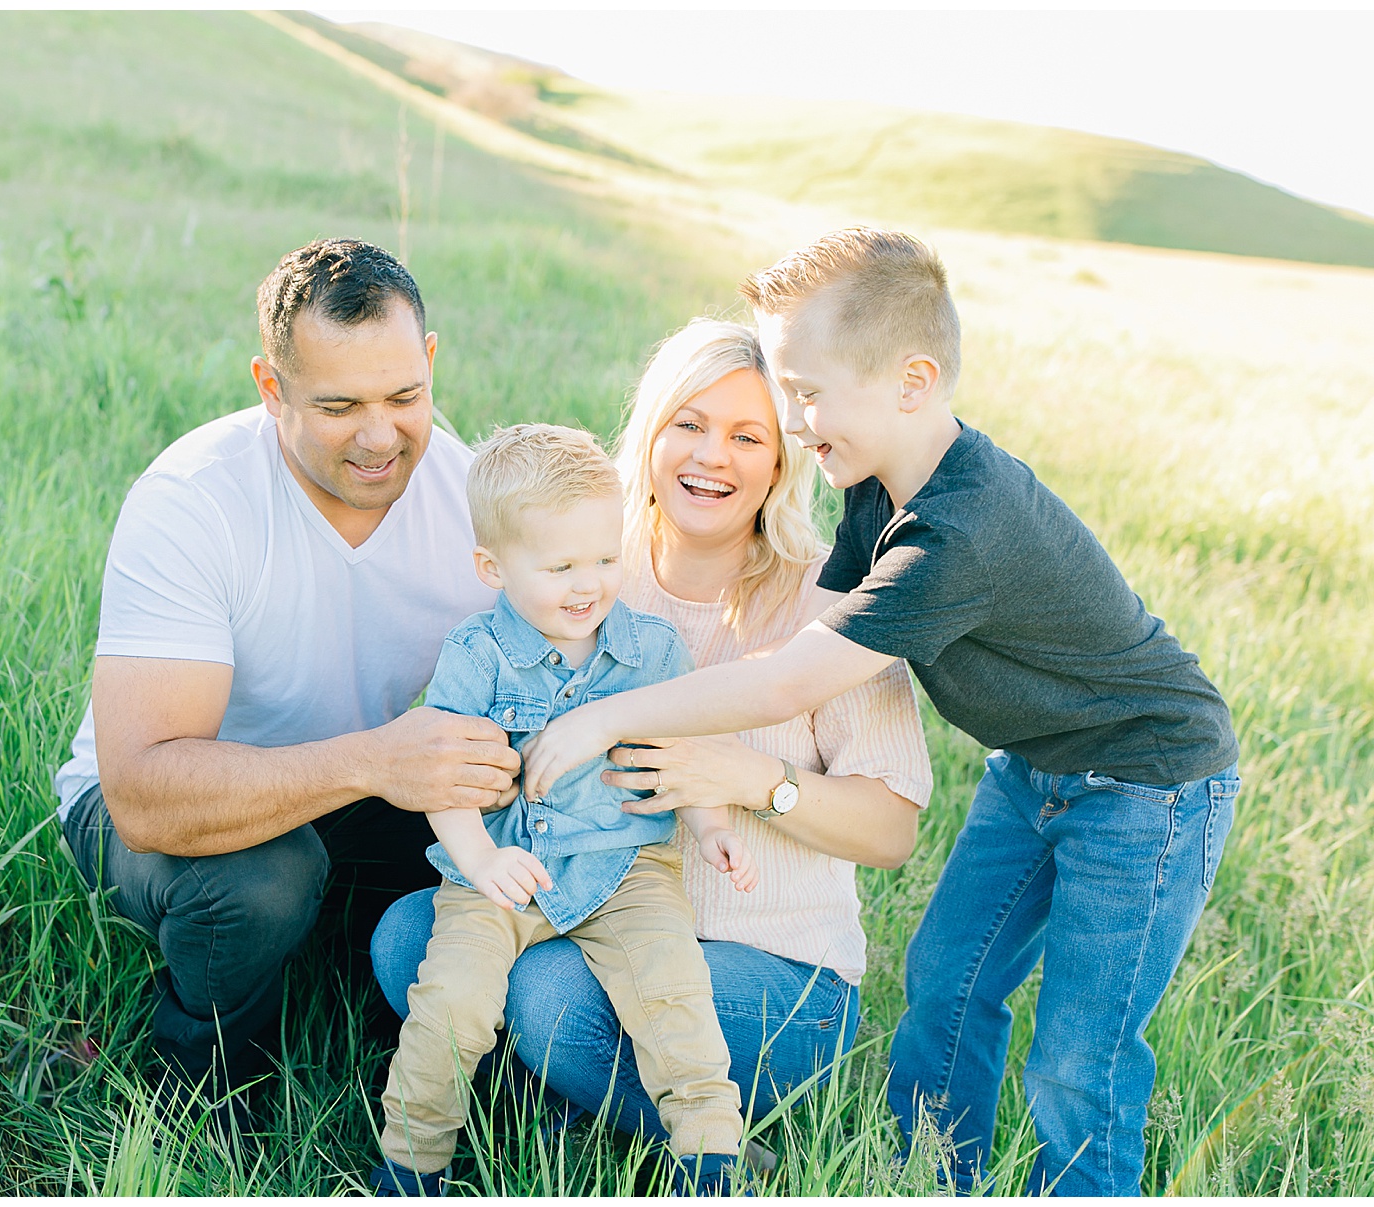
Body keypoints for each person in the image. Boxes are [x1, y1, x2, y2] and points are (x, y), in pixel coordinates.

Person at [520, 231, 1241, 1196]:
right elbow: (806, 613)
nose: (796, 420)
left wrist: (609, 720)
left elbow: (788, 680)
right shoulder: (873, 490)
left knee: (1083, 1050)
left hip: (1149, 781)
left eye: (807, 395)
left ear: (912, 380)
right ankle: (937, 1178)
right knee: (948, 981)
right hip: (1033, 766)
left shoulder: (960, 533)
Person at [371, 320, 932, 1165]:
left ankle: (712, 1147)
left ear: (782, 457)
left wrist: (743, 776)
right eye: (690, 424)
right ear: (651, 433)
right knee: (411, 936)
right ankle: (568, 1110)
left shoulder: (834, 599)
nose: (714, 456)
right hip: (580, 902)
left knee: (548, 993)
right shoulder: (585, 570)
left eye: (748, 435)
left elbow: (892, 831)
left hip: (773, 970)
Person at [51, 238, 521, 1137]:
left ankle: (453, 1059)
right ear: (272, 388)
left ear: (430, 362)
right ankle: (201, 1092)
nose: (381, 435)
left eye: (404, 397)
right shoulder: (194, 499)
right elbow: (146, 793)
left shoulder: (470, 504)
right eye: (339, 406)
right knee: (267, 876)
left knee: (511, 802)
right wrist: (375, 759)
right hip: (154, 805)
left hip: (347, 784)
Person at [371, 423, 758, 1198]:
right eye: (560, 566)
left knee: (673, 994)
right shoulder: (476, 655)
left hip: (627, 866)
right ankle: (412, 1166)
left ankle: (713, 1161)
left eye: (607, 558)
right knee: (452, 1001)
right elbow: (445, 778)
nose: (589, 583)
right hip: (505, 865)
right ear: (493, 566)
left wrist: (712, 824)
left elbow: (686, 742)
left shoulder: (651, 650)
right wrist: (479, 859)